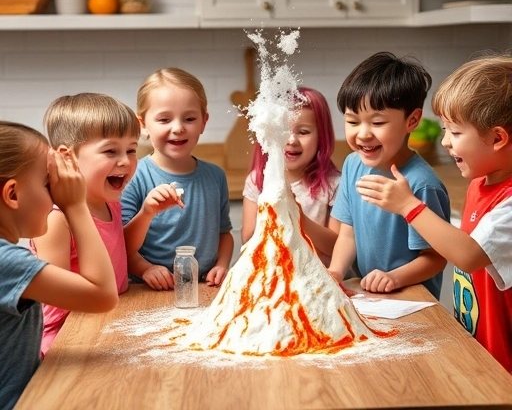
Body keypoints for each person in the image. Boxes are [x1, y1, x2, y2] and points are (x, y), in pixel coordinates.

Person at [355, 55, 512, 373]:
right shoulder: (481, 182)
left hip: (504, 362)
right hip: (478, 347)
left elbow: (468, 255)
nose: (444, 141)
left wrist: (408, 206)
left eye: (455, 133)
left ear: (497, 138)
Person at [0, 121, 118, 410]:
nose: (55, 195)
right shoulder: (8, 263)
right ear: (12, 195)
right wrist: (75, 205)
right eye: (47, 185)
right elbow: (102, 295)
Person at [328, 51, 450, 298]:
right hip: (369, 295)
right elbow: (347, 233)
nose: (363, 134)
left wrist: (393, 278)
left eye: (377, 123)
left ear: (412, 120)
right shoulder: (353, 165)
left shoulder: (421, 184)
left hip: (412, 301)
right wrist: (336, 272)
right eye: (353, 122)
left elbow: (436, 258)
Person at [30, 93, 140, 355]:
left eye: (132, 149)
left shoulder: (110, 201)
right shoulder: (56, 220)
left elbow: (118, 250)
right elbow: (58, 297)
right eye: (111, 151)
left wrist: (146, 213)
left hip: (106, 321)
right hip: (63, 340)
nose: (125, 160)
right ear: (68, 158)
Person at [121, 67, 234, 291]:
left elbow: (224, 234)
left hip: (204, 287)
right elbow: (120, 245)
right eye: (164, 119)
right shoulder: (133, 176)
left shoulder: (215, 176)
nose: (178, 128)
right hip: (146, 288)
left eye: (189, 118)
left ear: (204, 121)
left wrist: (222, 265)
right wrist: (145, 269)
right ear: (142, 124)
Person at [241, 86, 341, 266]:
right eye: (283, 132)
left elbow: (337, 247)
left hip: (318, 282)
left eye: (303, 132)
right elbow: (248, 240)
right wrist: (272, 208)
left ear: (322, 137)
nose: (291, 140)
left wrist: (297, 215)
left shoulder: (333, 184)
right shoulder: (258, 180)